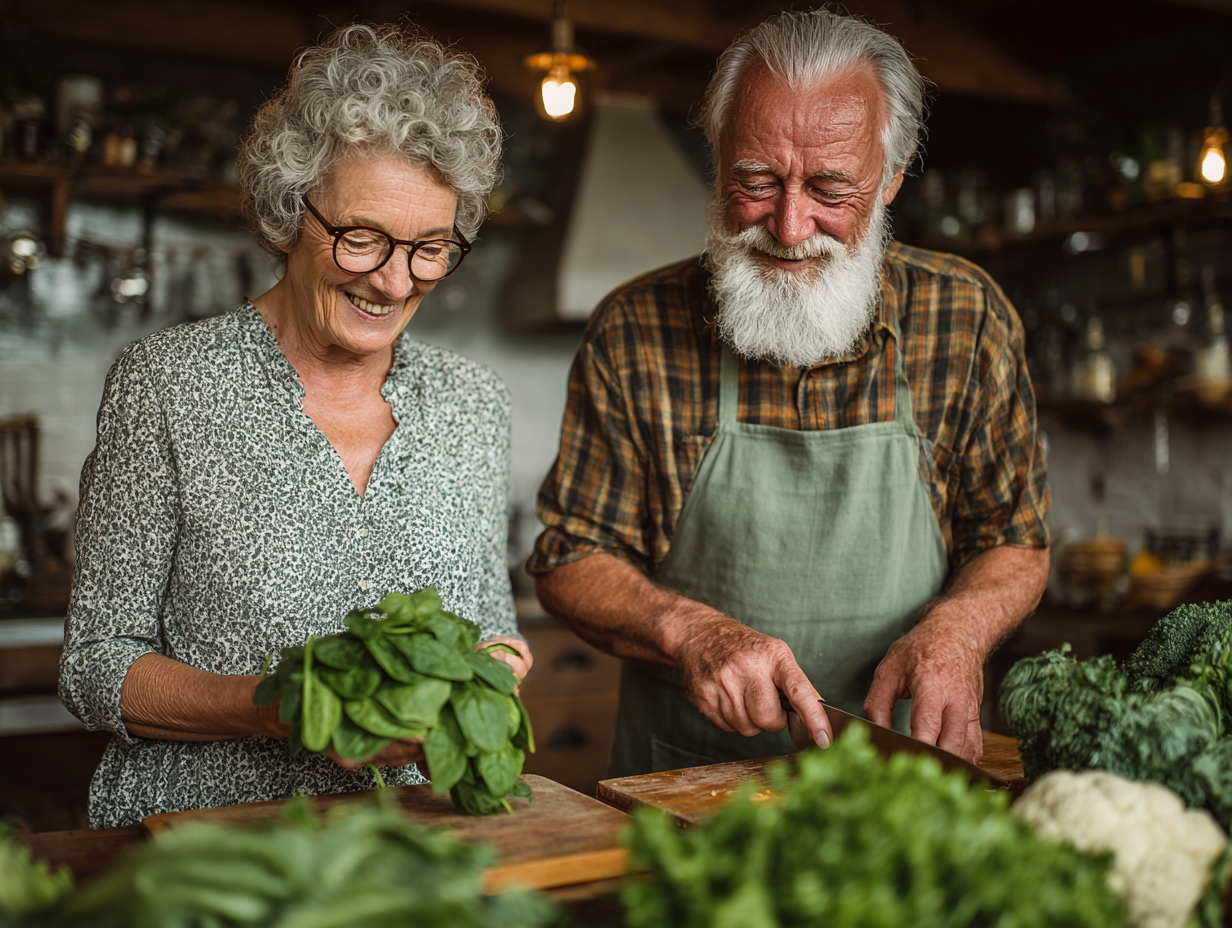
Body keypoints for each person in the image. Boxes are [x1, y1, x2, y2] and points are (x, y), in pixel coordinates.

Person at [530, 10, 1049, 776]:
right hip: (687, 779)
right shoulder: (634, 329)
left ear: (892, 178)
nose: (789, 222)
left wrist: (959, 631)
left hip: (902, 774)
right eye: (756, 181)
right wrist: (690, 631)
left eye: (831, 186)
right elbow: (569, 556)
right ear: (718, 166)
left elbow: (1017, 537)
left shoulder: (966, 319)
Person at [59, 24, 531, 828]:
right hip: (206, 843)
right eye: (362, 237)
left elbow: (492, 627)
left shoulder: (471, 403)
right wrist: (283, 707)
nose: (393, 279)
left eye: (430, 248)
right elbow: (97, 668)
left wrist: (492, 669)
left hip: (416, 845)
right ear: (290, 214)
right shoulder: (168, 386)